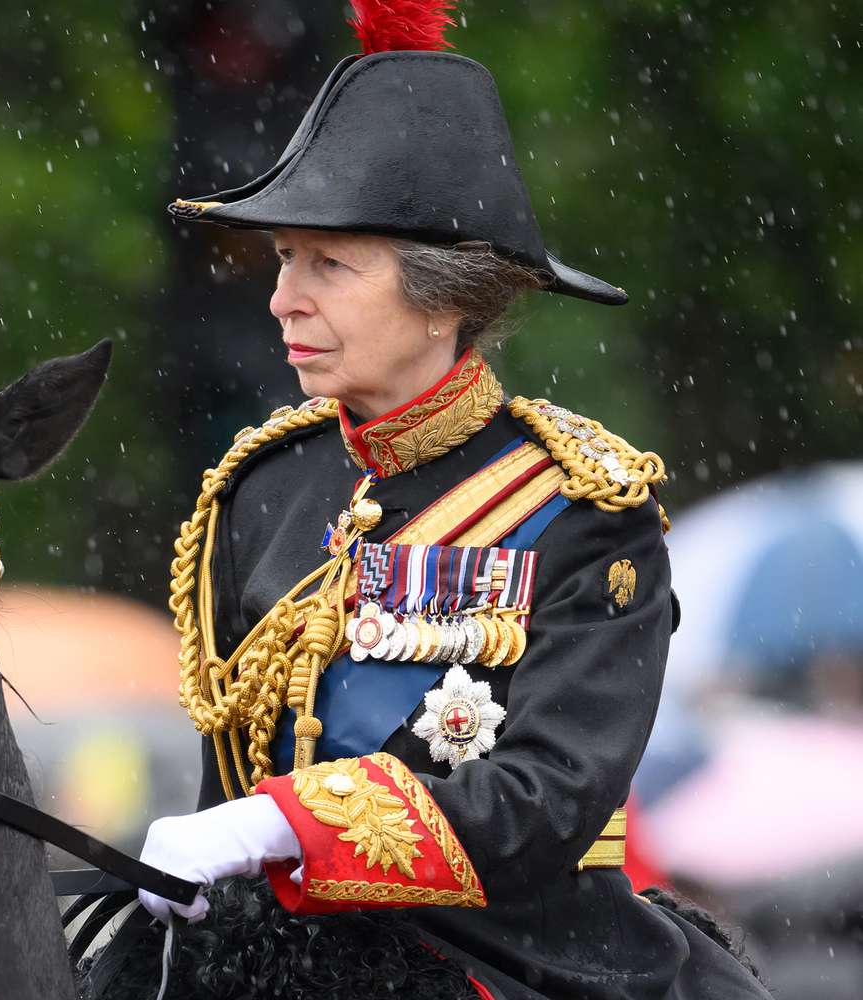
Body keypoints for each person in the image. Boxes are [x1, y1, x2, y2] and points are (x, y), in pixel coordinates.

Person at [137, 3, 771, 998]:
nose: (282, 299)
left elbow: (551, 798)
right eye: (283, 261)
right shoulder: (259, 487)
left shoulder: (582, 507)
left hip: (519, 965)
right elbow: (230, 772)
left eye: (328, 265)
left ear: (444, 299)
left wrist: (284, 823)